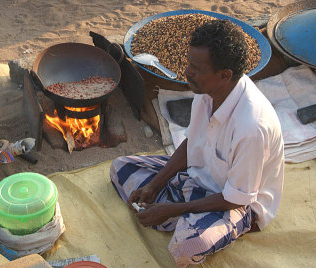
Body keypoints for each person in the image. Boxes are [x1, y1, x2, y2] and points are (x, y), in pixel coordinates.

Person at [110, 19, 284, 267]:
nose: (186, 71)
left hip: (236, 204)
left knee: (185, 247)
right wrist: (154, 185)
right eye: (188, 63)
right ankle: (183, 215)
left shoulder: (251, 127)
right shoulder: (206, 92)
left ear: (225, 75)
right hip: (196, 179)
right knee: (120, 167)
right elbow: (192, 143)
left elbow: (237, 198)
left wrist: (171, 209)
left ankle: (184, 218)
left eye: (195, 67)